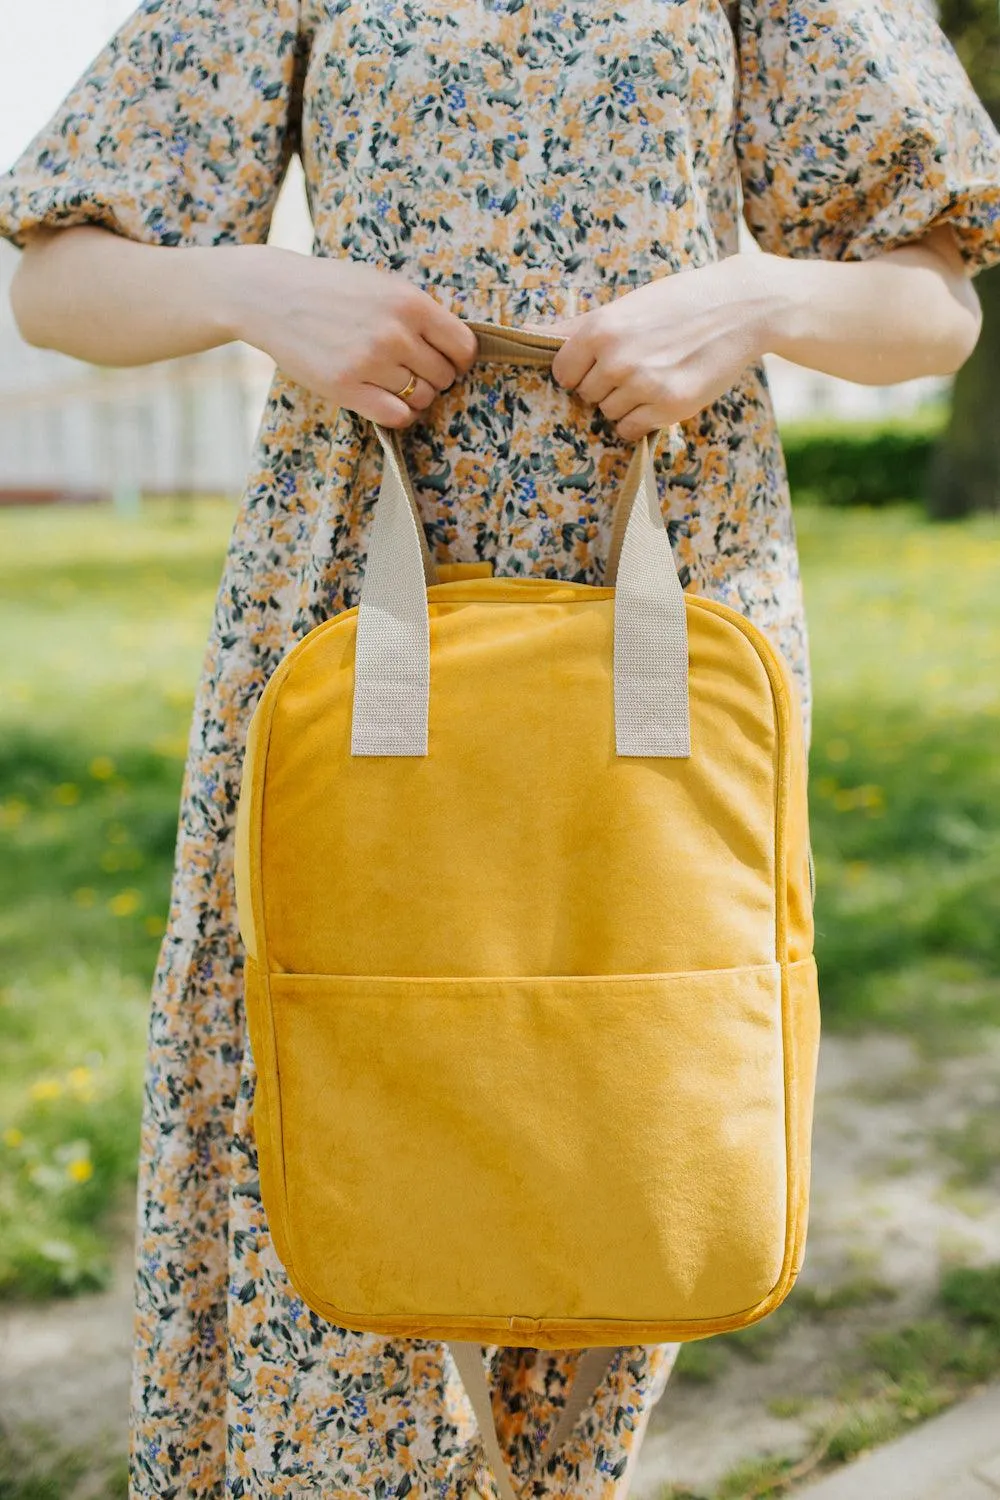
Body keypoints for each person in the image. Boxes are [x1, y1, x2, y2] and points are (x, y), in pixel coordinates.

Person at [2, 0, 999, 1494]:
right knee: (340, 1099)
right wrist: (267, 289)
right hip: (352, 589)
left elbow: (934, 300)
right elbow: (60, 285)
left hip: (665, 599)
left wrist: (753, 302)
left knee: (615, 1123)